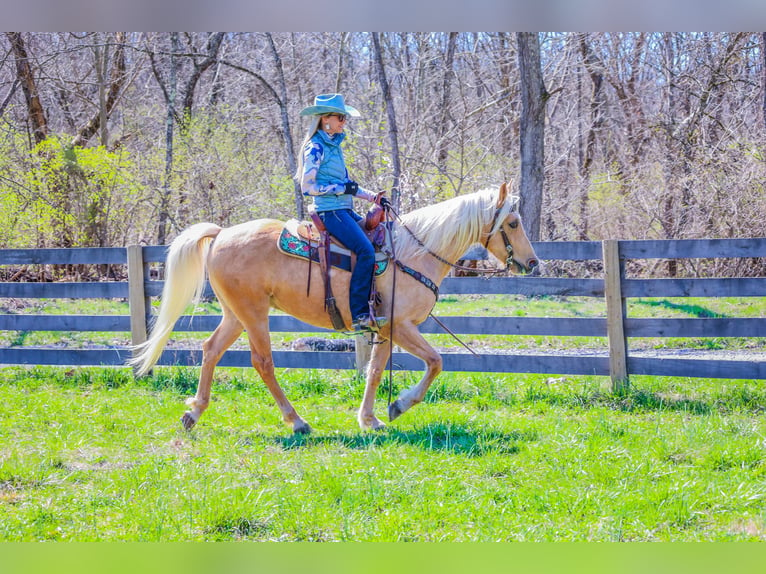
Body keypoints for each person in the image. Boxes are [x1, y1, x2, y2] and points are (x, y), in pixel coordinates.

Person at [295, 93, 390, 333]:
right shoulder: (316, 147)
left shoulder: (334, 146)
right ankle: (359, 315)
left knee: (381, 237)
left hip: (344, 209)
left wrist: (373, 198)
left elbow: (349, 184)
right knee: (366, 251)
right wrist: (340, 189)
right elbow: (308, 187)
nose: (343, 122)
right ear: (325, 119)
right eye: (340, 117)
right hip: (330, 211)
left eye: (344, 118)